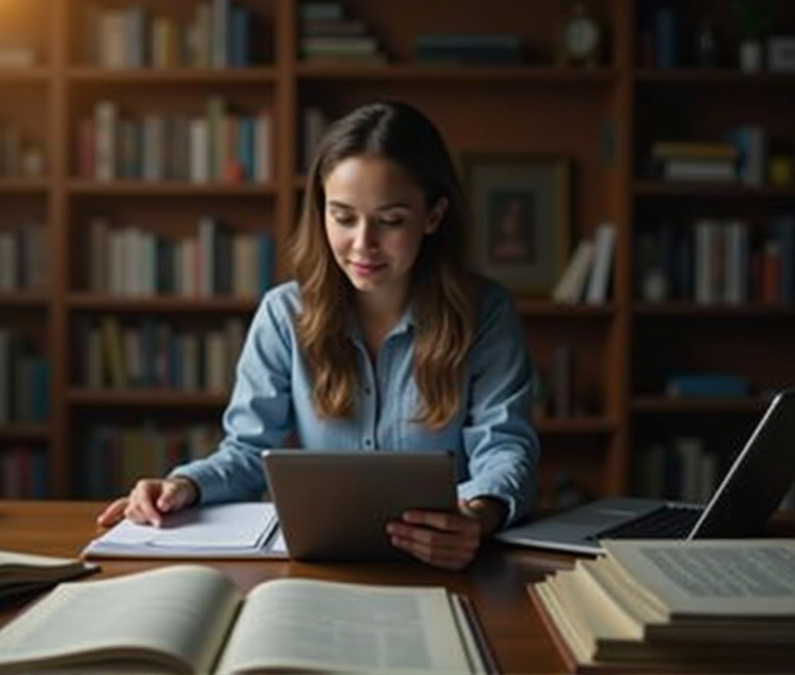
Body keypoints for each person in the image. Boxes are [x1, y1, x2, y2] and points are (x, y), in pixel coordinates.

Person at [97, 101, 540, 570]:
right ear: (321, 211)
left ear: (433, 216)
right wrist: (183, 485)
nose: (362, 244)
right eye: (343, 217)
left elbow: (505, 448)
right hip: (316, 572)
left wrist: (477, 516)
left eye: (390, 221)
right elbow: (248, 451)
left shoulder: (486, 313)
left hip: (443, 566)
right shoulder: (284, 314)